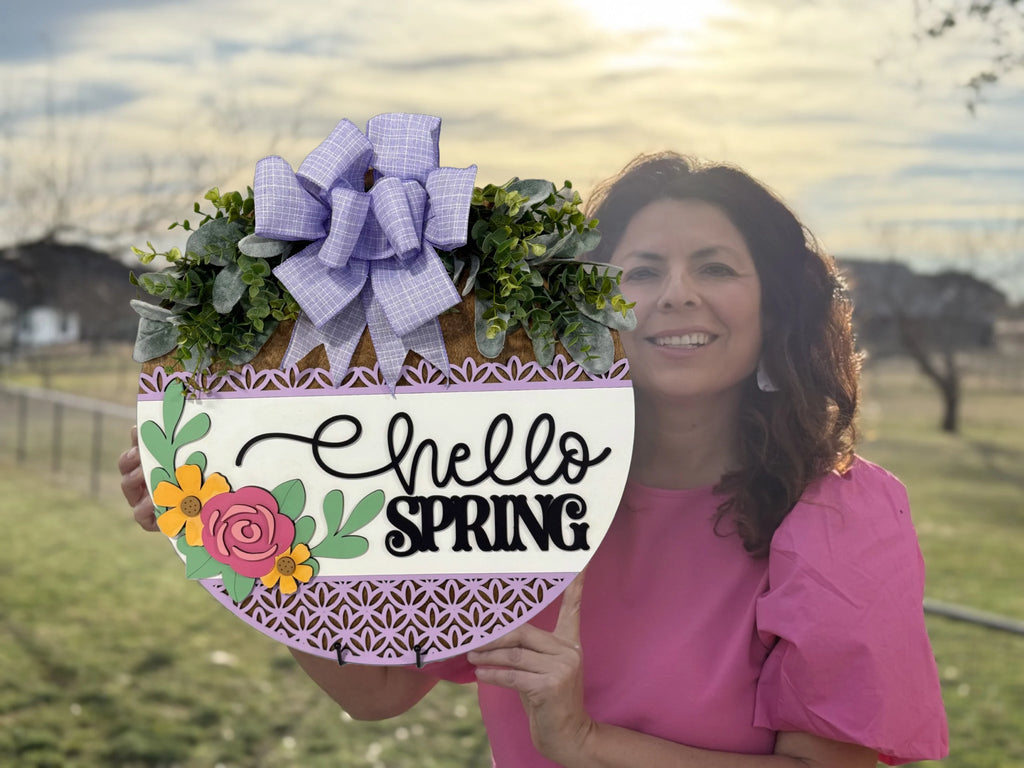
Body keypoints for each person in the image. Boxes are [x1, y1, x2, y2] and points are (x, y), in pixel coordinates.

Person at [119, 152, 949, 767]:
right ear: (588, 307)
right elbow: (376, 690)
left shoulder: (841, 514)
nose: (677, 295)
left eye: (717, 268)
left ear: (777, 309)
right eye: (642, 270)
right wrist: (242, 534)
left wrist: (585, 742)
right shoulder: (510, 479)